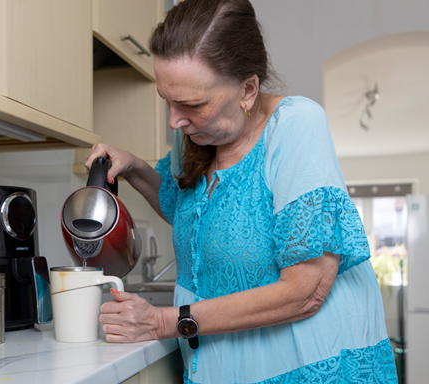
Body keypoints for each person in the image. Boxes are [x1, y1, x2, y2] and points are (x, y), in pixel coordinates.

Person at [86, 0, 398, 383]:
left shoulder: (296, 127)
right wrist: (133, 166)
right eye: (166, 100)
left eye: (191, 104)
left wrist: (164, 321)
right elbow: (183, 208)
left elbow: (305, 291)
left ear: (248, 89)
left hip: (306, 369)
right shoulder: (197, 136)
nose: (174, 119)